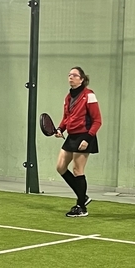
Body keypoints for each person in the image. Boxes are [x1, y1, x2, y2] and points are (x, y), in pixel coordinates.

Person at [56, 66, 101, 218]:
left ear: (81, 79)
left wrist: (87, 138)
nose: (71, 77)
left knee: (77, 170)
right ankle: (83, 196)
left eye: (75, 75)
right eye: (69, 75)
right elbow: (66, 118)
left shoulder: (89, 95)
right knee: (60, 167)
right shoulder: (68, 97)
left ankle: (81, 206)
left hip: (85, 136)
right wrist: (60, 129)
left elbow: (97, 120)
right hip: (72, 136)